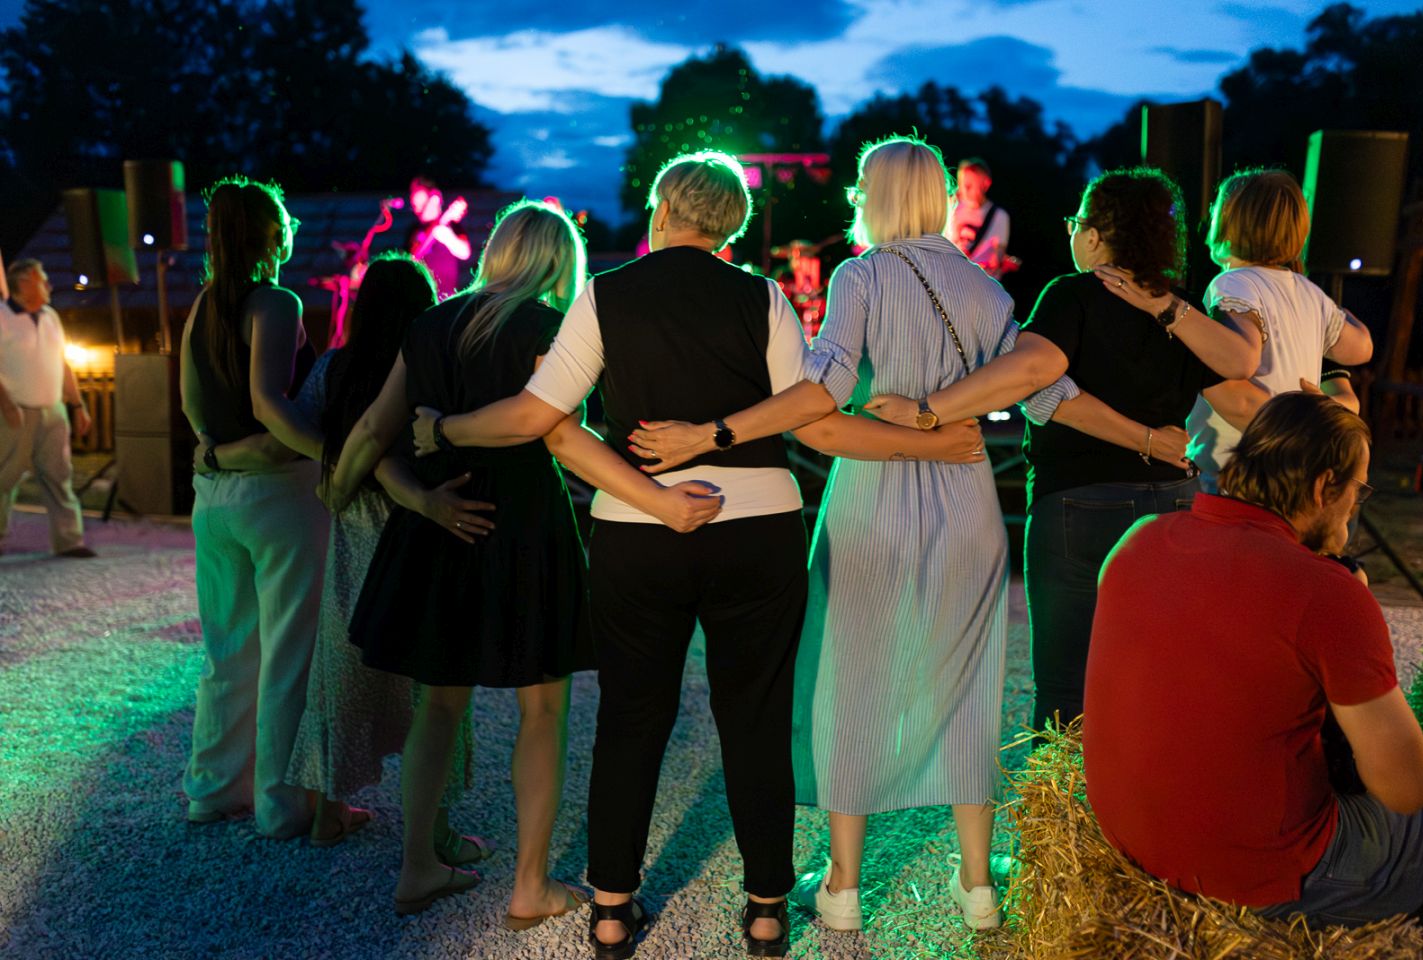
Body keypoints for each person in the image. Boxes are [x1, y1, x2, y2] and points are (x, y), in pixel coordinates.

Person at [412, 150, 984, 957]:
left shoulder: (604, 295)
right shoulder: (764, 297)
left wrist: (443, 428)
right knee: (754, 717)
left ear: (659, 210)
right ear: (732, 227)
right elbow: (813, 422)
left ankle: (612, 905)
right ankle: (765, 909)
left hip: (638, 535)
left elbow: (539, 418)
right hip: (759, 532)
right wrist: (923, 444)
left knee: (631, 716)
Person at [626, 137, 1050, 937]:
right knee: (968, 686)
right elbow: (1037, 382)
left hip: (872, 501)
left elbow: (819, 392)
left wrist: (712, 433)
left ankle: (845, 887)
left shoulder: (860, 276)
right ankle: (976, 888)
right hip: (967, 501)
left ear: (875, 195)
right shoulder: (985, 290)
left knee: (850, 681)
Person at [325, 199, 722, 921]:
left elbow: (378, 427)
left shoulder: (432, 323)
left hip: (443, 524)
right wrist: (656, 496)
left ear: (500, 251)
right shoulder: (545, 327)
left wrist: (360, 495)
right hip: (524, 529)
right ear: (557, 262)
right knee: (543, 708)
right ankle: (530, 886)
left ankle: (418, 867)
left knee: (437, 706)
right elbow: (562, 437)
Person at [864, 167, 1260, 730]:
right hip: (1174, 504)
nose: (1072, 232)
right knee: (1157, 675)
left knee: (1066, 687)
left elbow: (1033, 368)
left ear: (1096, 237)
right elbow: (1241, 397)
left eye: (1077, 222)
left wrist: (927, 410)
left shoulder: (1072, 294)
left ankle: (1064, 816)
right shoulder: (1179, 309)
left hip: (1080, 504)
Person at [1085, 391, 1423, 926]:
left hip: (1136, 845)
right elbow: (1406, 788)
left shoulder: (1137, 540)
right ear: (1325, 486)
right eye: (1356, 490)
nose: (1354, 506)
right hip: (1260, 877)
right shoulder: (1326, 593)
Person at [202, 252, 488, 852]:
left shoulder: (335, 368)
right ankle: (434, 832)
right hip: (421, 539)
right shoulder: (436, 369)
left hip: (352, 547)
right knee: (429, 690)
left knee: (341, 684)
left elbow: (290, 429)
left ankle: (328, 815)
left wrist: (220, 454)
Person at [178, 177, 329, 838]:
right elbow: (272, 403)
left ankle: (211, 790)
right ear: (272, 232)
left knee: (228, 650)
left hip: (214, 496)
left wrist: (220, 455)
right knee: (288, 654)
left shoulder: (201, 307)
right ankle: (281, 804)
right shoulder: (277, 302)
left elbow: (191, 409)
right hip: (279, 498)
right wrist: (331, 453)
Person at [1170, 168, 1372, 484]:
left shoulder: (1232, 284)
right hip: (1294, 461)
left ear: (1228, 223)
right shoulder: (1309, 293)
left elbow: (1241, 355)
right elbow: (1360, 348)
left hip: (1236, 465)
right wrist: (1334, 309)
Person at [0, 257, 95, 557]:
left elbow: (62, 362)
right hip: (16, 411)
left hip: (53, 410)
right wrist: (6, 404)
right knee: (5, 477)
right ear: (24, 283)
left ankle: (70, 541)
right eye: (42, 278)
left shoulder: (51, 316)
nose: (49, 284)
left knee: (59, 475)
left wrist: (77, 405)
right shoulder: (2, 317)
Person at [943, 158, 1010, 279]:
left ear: (986, 184)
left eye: (969, 184)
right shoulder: (951, 206)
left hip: (978, 282)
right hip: (949, 276)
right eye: (962, 183)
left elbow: (997, 257)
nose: (964, 189)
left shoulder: (998, 216)